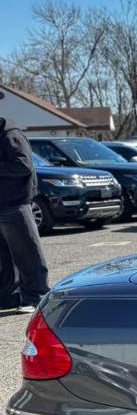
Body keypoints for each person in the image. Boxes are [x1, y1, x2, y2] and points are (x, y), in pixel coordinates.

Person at [0, 117, 50, 313]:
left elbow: (23, 165)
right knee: (4, 256)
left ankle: (37, 295)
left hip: (14, 202)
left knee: (27, 252)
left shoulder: (10, 134)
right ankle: (9, 298)